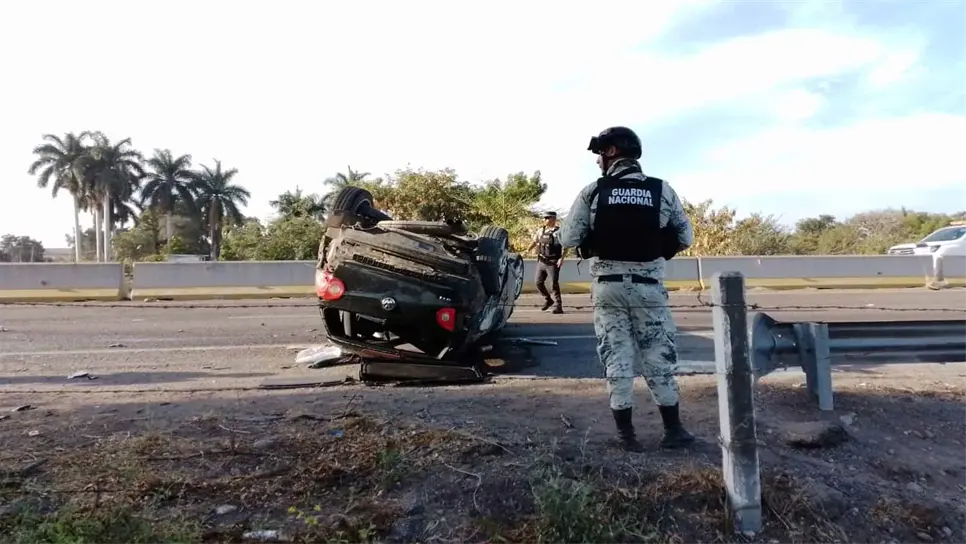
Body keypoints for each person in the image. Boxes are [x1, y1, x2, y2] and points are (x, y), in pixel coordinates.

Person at [559, 125, 696, 452]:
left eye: (599, 154)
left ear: (611, 152)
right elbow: (685, 237)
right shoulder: (662, 190)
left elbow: (569, 238)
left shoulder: (593, 191)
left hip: (608, 288)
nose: (597, 161)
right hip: (649, 287)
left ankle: (626, 436)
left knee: (616, 357)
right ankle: (673, 431)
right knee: (658, 356)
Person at [526, 211, 565, 313]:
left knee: (553, 284)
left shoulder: (559, 232)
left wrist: (561, 258)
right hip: (542, 260)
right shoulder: (541, 230)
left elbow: (565, 246)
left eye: (547, 218)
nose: (544, 220)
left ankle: (558, 306)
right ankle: (548, 299)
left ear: (553, 219)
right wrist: (527, 250)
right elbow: (535, 241)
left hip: (553, 261)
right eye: (544, 218)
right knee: (538, 282)